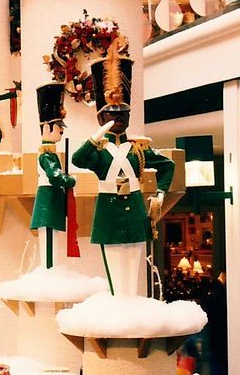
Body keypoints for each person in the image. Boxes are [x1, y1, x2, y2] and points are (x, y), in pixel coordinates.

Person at [71, 48, 175, 297]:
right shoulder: (99, 150)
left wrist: (160, 193)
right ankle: (119, 303)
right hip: (109, 212)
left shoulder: (138, 148)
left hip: (136, 213)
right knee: (115, 269)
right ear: (101, 116)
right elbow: (78, 159)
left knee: (134, 266)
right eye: (111, 114)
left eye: (122, 114)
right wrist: (95, 137)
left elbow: (167, 166)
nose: (117, 118)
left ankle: (130, 303)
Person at [31, 81, 76, 268]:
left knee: (52, 238)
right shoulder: (47, 155)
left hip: (51, 201)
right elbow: (55, 175)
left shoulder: (49, 153)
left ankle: (52, 269)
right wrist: (70, 180)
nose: (61, 132)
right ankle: (49, 271)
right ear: (47, 128)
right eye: (59, 128)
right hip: (48, 201)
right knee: (48, 240)